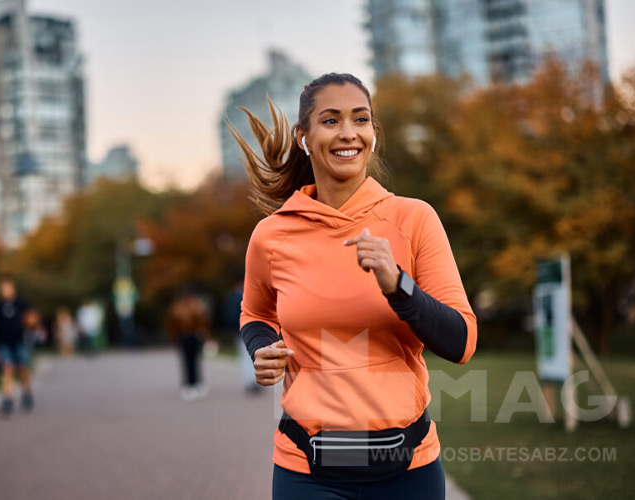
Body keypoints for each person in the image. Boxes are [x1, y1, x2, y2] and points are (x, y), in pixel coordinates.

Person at [230, 73, 477, 499]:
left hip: (408, 470)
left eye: (360, 120)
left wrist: (398, 285)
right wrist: (262, 348)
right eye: (330, 121)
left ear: (373, 134)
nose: (348, 133)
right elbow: (255, 314)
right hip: (307, 470)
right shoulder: (272, 236)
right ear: (304, 136)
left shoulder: (414, 219)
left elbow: (461, 342)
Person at [0, 275, 34, 416]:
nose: (6, 290)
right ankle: (7, 399)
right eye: (3, 288)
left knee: (23, 368)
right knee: (7, 369)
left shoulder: (21, 303)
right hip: (4, 343)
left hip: (19, 341)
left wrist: (32, 322)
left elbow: (31, 318)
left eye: (8, 287)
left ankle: (27, 393)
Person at [166, 287, 212, 402]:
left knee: (195, 360)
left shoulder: (195, 306)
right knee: (187, 361)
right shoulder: (178, 308)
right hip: (183, 337)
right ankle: (189, 384)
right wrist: (174, 338)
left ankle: (196, 382)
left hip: (194, 336)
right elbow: (172, 324)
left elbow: (203, 322)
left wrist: (205, 335)